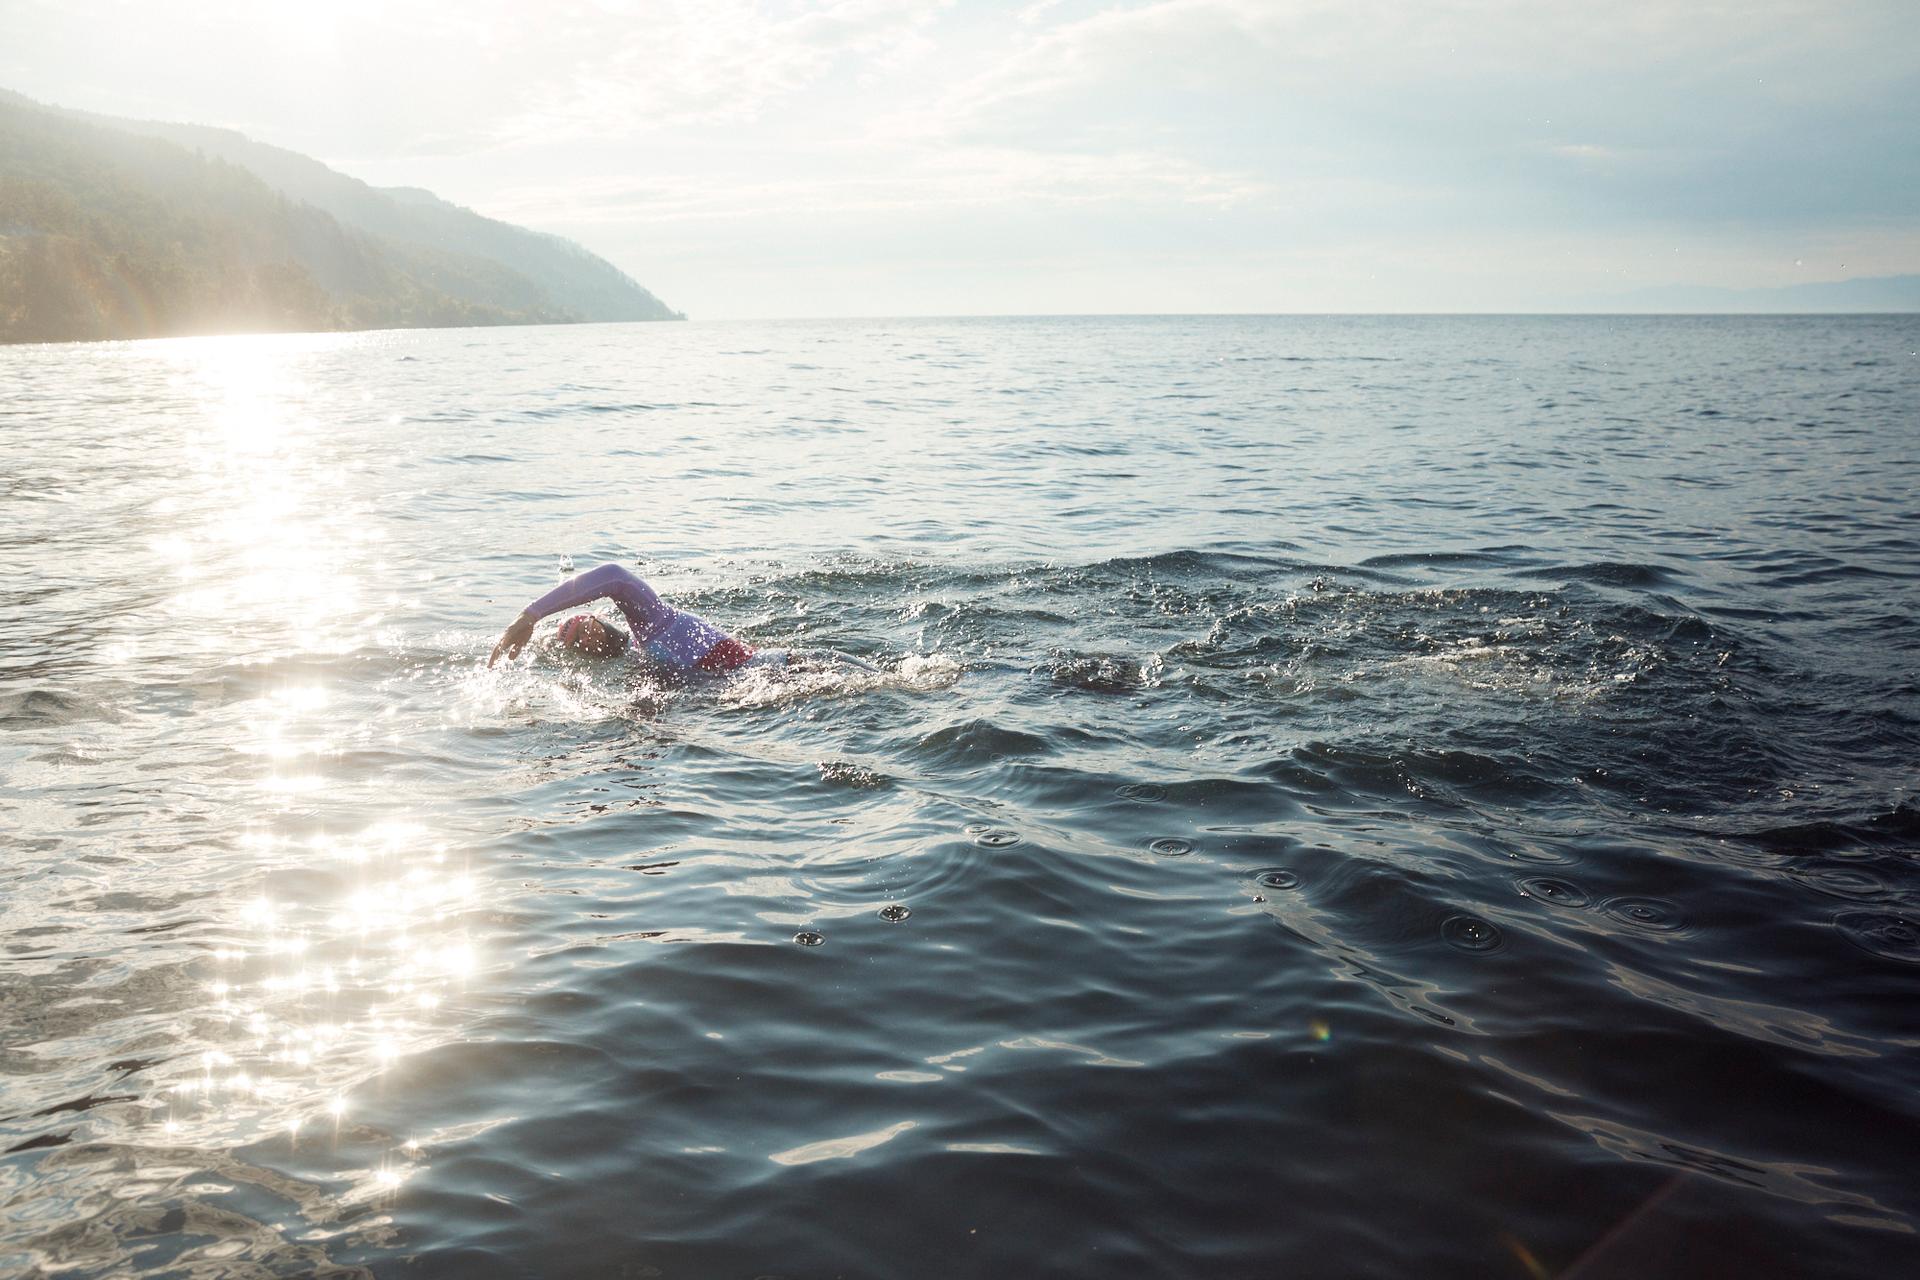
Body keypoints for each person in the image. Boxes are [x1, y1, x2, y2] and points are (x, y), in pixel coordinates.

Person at [487, 562, 876, 676]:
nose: (584, 636)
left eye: (581, 625)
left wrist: (531, 615)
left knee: (889, 684)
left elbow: (615, 576)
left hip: (782, 667)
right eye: (576, 642)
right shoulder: (638, 662)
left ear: (598, 617)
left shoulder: (651, 621)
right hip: (757, 694)